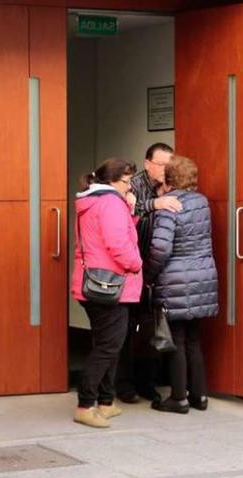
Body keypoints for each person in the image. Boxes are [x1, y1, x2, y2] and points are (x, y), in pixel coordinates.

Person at [70, 158, 143, 428]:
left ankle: (106, 401)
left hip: (95, 283)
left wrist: (131, 211)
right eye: (126, 181)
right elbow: (117, 243)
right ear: (113, 181)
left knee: (107, 344)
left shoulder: (96, 200)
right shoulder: (111, 202)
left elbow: (111, 233)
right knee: (108, 346)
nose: (129, 186)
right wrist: (136, 264)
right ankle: (86, 404)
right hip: (109, 285)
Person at [145, 156, 218, 414]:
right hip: (202, 277)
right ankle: (199, 395)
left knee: (175, 339)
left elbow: (161, 247)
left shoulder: (170, 206)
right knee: (194, 339)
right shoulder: (202, 203)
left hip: (175, 279)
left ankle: (178, 397)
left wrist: (148, 275)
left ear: (169, 178)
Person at [116, 142, 182, 404]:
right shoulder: (133, 186)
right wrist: (156, 203)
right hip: (133, 267)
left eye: (170, 164)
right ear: (147, 163)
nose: (166, 170)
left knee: (152, 329)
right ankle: (125, 385)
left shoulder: (170, 186)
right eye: (161, 164)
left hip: (158, 271)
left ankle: (149, 383)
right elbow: (129, 210)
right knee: (128, 329)